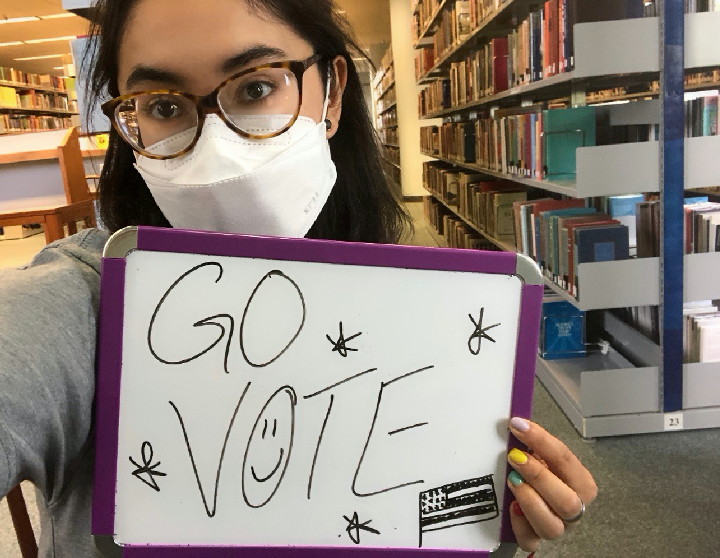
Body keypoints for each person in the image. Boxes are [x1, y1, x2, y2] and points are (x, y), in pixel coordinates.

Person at [0, 0, 597, 556]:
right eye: (163, 106)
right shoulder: (86, 303)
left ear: (332, 94)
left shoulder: (419, 309)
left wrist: (490, 511)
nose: (216, 145)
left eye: (257, 87)